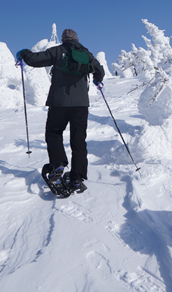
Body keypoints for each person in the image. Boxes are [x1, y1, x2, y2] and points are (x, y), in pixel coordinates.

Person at [16, 28, 105, 193]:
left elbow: (35, 60)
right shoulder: (86, 54)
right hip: (81, 105)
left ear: (63, 39)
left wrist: (24, 53)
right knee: (78, 140)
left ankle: (58, 165)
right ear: (77, 40)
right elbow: (100, 70)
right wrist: (97, 80)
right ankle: (77, 178)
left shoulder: (58, 51)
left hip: (59, 103)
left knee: (54, 132)